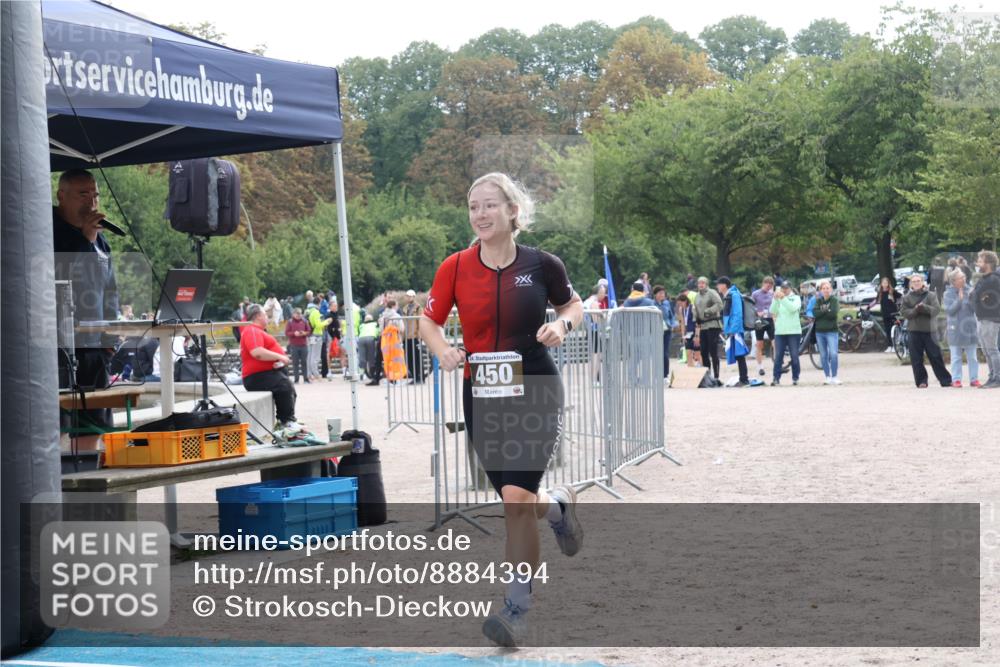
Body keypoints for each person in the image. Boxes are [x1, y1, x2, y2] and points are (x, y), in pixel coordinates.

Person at [419, 172, 584, 648]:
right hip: (483, 395)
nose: (480, 215)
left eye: (489, 205)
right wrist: (443, 349)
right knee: (518, 500)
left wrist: (563, 326)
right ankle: (557, 507)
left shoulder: (542, 264)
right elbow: (427, 321)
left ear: (513, 211)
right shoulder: (454, 267)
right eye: (473, 207)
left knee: (514, 501)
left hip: (535, 387)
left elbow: (573, 305)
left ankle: (516, 609)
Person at [53, 169, 120, 451]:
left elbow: (110, 289)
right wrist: (86, 240)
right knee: (56, 426)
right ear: (61, 196)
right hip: (59, 347)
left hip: (94, 346)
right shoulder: (48, 232)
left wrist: (110, 338)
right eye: (83, 194)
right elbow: (61, 276)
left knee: (93, 423)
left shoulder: (99, 239)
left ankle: (87, 482)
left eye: (95, 195)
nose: (91, 202)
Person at [240, 303, 299, 428]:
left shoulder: (258, 331)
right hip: (256, 377)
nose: (267, 317)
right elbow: (257, 352)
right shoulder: (252, 330)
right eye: (265, 314)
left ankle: (287, 420)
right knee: (284, 386)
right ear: (258, 316)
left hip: (266, 373)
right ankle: (286, 422)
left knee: (288, 389)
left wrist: (277, 361)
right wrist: (280, 357)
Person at [899, 274, 952, 388]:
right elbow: (905, 313)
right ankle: (921, 381)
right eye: (914, 281)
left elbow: (936, 310)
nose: (916, 283)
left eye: (918, 281)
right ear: (911, 284)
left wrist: (924, 308)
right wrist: (916, 310)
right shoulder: (906, 298)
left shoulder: (931, 295)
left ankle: (945, 380)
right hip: (914, 331)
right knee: (916, 358)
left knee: (936, 356)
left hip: (930, 331)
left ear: (923, 282)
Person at [943, 271, 980, 387]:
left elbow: (976, 309)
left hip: (970, 328)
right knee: (956, 357)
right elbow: (949, 310)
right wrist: (959, 300)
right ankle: (956, 380)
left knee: (973, 357)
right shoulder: (947, 294)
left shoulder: (970, 290)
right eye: (960, 278)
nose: (963, 279)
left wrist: (973, 299)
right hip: (955, 329)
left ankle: (974, 379)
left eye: (964, 277)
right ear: (953, 281)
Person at [972, 250, 1000, 388]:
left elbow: (980, 296)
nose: (978, 263)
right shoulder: (984, 278)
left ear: (988, 263)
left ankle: (998, 378)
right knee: (986, 350)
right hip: (981, 317)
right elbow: (974, 295)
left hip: (991, 318)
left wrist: (982, 297)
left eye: (980, 261)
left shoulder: (993, 279)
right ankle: (992, 376)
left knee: (992, 349)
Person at [716, 277, 749, 386]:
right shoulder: (728, 296)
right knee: (738, 355)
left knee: (740, 355)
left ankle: (744, 379)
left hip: (736, 330)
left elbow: (738, 313)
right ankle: (743, 379)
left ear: (724, 285)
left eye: (719, 284)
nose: (717, 287)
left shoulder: (734, 295)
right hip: (732, 330)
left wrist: (733, 330)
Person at [769, 281, 802, 386]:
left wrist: (783, 298)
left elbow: (792, 309)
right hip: (780, 332)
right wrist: (775, 299)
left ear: (790, 288)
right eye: (783, 288)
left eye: (786, 288)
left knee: (794, 356)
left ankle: (795, 377)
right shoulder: (779, 298)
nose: (784, 290)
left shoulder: (796, 298)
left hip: (794, 331)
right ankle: (776, 378)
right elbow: (772, 311)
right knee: (778, 356)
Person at [693, 276, 723, 381]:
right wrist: (695, 317)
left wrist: (708, 311)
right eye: (699, 283)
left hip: (713, 325)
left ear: (706, 284)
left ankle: (716, 376)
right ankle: (708, 375)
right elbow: (695, 308)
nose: (700, 285)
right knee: (703, 351)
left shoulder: (712, 292)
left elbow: (720, 305)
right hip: (703, 326)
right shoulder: (697, 296)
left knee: (713, 351)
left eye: (703, 283)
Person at [812, 280, 841, 385]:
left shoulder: (834, 300)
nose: (826, 290)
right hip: (819, 332)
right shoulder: (818, 301)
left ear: (831, 289)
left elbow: (833, 314)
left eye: (827, 288)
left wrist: (822, 311)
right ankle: (827, 377)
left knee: (833, 354)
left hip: (832, 331)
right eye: (823, 288)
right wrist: (825, 310)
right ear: (821, 290)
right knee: (823, 355)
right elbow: (815, 313)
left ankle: (834, 376)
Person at [582, 284, 607, 384]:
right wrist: (603, 316)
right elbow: (596, 319)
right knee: (596, 356)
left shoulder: (588, 301)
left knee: (594, 356)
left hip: (590, 331)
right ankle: (594, 380)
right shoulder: (594, 302)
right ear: (599, 292)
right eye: (603, 292)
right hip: (595, 331)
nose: (604, 295)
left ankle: (594, 379)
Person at [750, 277, 775, 376]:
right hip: (759, 320)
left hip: (769, 319)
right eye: (767, 285)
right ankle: (760, 366)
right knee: (759, 343)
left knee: (775, 342)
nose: (768, 288)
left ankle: (777, 363)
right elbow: (750, 306)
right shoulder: (755, 294)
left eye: (770, 286)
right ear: (763, 283)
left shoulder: (771, 294)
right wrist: (757, 311)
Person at [652, 285, 677, 380]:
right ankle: (656, 373)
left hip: (667, 330)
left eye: (663, 293)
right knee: (656, 353)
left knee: (665, 353)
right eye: (660, 293)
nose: (662, 295)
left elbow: (671, 315)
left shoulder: (667, 303)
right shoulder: (652, 304)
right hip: (656, 331)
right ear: (655, 294)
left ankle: (665, 375)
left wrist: (672, 324)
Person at [400, 289, 425, 384]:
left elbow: (420, 321)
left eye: (411, 296)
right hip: (406, 337)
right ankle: (414, 377)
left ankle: (420, 377)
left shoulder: (418, 308)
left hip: (415, 336)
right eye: (408, 296)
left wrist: (419, 335)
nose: (409, 297)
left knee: (417, 358)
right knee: (409, 359)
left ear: (414, 297)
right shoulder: (405, 308)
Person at [872, 276, 902, 352]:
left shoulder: (892, 291)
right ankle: (889, 345)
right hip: (885, 313)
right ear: (881, 284)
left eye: (886, 283)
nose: (884, 284)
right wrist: (868, 307)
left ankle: (895, 345)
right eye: (883, 283)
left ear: (888, 283)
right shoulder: (880, 293)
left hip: (892, 313)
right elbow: (875, 301)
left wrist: (898, 304)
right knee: (887, 330)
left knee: (893, 330)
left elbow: (901, 297)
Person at [284, 308, 311, 383]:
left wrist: (304, 333)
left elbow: (309, 331)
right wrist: (294, 333)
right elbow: (286, 333)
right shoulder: (290, 322)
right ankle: (296, 379)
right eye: (297, 313)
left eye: (300, 313)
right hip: (294, 345)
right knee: (295, 363)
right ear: (293, 314)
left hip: (303, 345)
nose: (299, 315)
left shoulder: (305, 321)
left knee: (304, 362)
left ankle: (306, 379)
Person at [675, 292, 700, 367]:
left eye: (681, 303)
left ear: (685, 301)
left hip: (695, 331)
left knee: (697, 354)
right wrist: (683, 335)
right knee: (688, 353)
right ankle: (690, 370)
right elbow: (682, 323)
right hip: (687, 333)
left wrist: (697, 335)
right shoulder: (681, 309)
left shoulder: (693, 308)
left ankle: (702, 369)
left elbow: (698, 322)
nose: (680, 305)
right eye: (679, 304)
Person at [357, 313, 380, 383]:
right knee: (371, 358)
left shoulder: (361, 325)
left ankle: (361, 375)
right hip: (371, 338)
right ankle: (372, 375)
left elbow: (359, 332)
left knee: (362, 357)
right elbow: (378, 332)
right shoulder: (375, 324)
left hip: (361, 339)